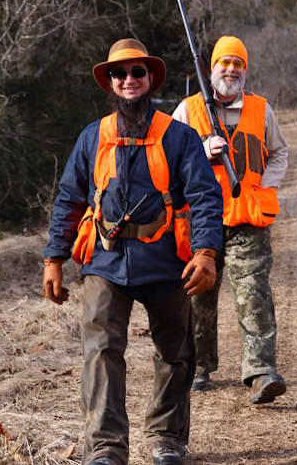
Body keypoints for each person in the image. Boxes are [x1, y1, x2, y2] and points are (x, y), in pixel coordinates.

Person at [42, 38, 224, 465]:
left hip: (167, 262)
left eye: (137, 72)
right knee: (101, 350)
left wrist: (205, 253)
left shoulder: (179, 136)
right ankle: (105, 447)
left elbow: (205, 196)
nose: (129, 79)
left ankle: (166, 438)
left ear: (150, 78)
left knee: (177, 352)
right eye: (119, 73)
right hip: (105, 262)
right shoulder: (93, 137)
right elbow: (69, 198)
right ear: (109, 81)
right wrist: (54, 258)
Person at [171, 36, 290, 403]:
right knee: (197, 296)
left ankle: (260, 371)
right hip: (200, 219)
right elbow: (167, 161)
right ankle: (198, 367)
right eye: (224, 62)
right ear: (212, 68)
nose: (231, 69)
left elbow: (279, 153)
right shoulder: (188, 110)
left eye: (238, 64)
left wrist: (263, 186)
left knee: (254, 294)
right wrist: (201, 151)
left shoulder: (260, 109)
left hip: (247, 219)